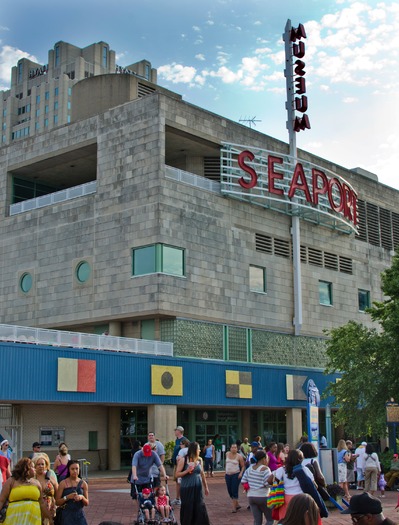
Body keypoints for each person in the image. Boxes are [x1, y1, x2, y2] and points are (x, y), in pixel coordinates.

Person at [267, 449, 317, 523]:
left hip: (286, 499)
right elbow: (315, 486)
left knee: (285, 520)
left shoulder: (282, 470)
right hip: (301, 499)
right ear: (300, 460)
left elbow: (269, 480)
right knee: (300, 520)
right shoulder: (305, 470)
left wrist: (278, 482)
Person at [0, 457, 52, 525]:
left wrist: (49, 517)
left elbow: (41, 503)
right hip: (14, 518)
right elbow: (1, 500)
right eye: (33, 467)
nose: (35, 469)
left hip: (33, 518)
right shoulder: (11, 481)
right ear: (26, 469)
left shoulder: (36, 483)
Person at [176, 441, 210, 525]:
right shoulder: (183, 460)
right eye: (198, 449)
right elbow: (177, 474)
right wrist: (187, 470)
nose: (200, 451)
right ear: (194, 450)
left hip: (197, 488)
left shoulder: (200, 460)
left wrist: (206, 487)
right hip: (187, 488)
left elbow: (202, 474)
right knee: (188, 507)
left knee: (199, 506)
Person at [241, 449, 273, 525]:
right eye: (267, 458)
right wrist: (274, 482)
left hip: (251, 497)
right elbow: (267, 484)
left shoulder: (249, 469)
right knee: (270, 520)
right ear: (263, 459)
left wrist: (251, 485)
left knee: (257, 521)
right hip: (263, 496)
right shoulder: (265, 469)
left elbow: (243, 481)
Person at [55, 459, 89, 525]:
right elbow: (57, 502)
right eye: (72, 469)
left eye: (77, 469)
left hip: (79, 515)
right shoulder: (63, 483)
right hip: (66, 515)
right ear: (68, 470)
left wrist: (81, 497)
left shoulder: (83, 484)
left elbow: (87, 503)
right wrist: (67, 497)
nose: (75, 471)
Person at [33, 453, 58, 525]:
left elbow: (58, 493)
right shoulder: (31, 479)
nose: (41, 466)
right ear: (34, 465)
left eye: (42, 464)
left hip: (50, 509)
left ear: (46, 465)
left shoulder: (50, 478)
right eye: (38, 464)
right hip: (36, 510)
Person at [224, 442, 245, 513]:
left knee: (234, 489)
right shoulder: (227, 454)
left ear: (237, 448)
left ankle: (234, 507)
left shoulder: (239, 456)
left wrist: (241, 473)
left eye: (235, 447)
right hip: (227, 474)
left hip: (235, 474)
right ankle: (237, 504)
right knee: (229, 490)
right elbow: (226, 464)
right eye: (232, 447)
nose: (233, 449)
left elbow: (243, 466)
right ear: (230, 448)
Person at [171, 425, 186, 506]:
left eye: (176, 430)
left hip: (181, 464)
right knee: (177, 481)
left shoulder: (184, 440)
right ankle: (177, 498)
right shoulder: (177, 440)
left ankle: (181, 499)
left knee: (180, 481)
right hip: (176, 463)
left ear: (179, 431)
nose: (175, 432)